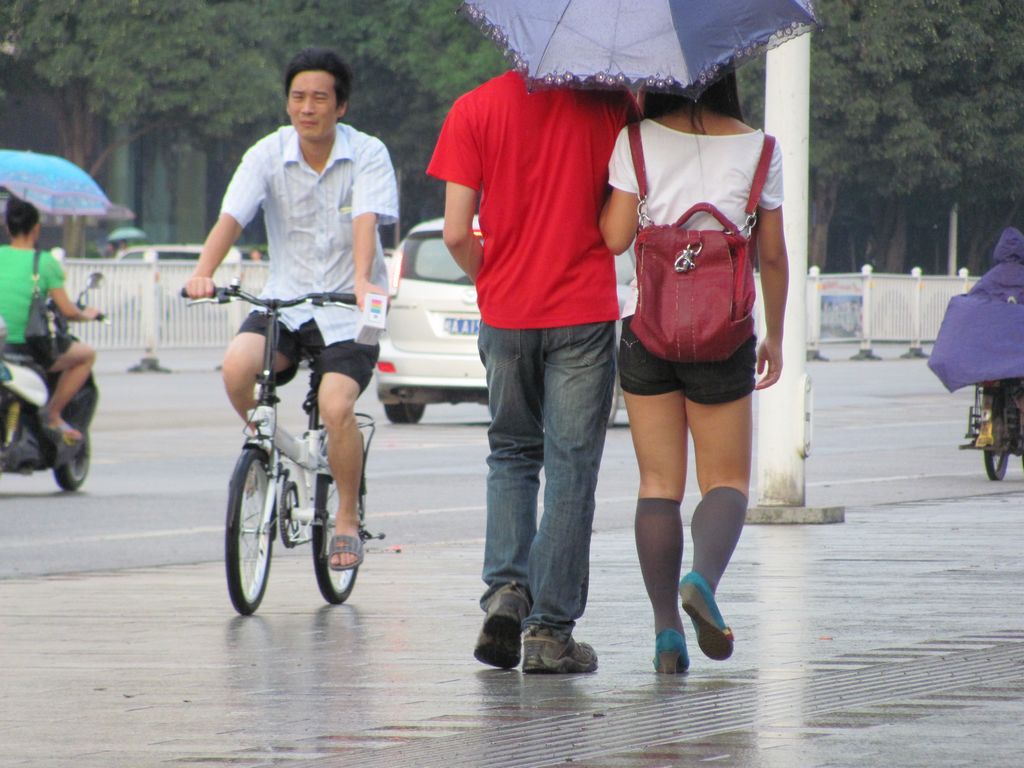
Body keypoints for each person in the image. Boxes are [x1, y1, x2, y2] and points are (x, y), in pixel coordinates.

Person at [427, 72, 636, 674]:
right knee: (572, 469)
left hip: (508, 314)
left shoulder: (473, 107)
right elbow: (622, 224)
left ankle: (506, 593)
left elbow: (453, 230)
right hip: (582, 315)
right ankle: (549, 633)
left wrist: (490, 279)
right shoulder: (613, 108)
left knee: (512, 455)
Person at [599, 75, 789, 673]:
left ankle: (665, 633)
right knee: (727, 480)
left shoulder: (635, 140)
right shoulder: (761, 149)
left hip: (649, 329)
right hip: (724, 333)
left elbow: (615, 237)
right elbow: (774, 255)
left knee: (658, 484)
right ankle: (701, 579)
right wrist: (775, 335)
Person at [185, 47, 398, 572]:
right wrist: (201, 272)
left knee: (336, 407)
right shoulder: (266, 154)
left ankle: (346, 515)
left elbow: (365, 222)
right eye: (298, 97)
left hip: (348, 307)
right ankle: (271, 449)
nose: (308, 107)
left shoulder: (368, 153)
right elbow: (231, 217)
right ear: (287, 104)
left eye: (319, 97)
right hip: (286, 300)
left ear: (340, 106)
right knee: (237, 367)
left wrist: (366, 280)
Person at [0, 197, 101, 441]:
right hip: (29, 347)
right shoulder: (44, 262)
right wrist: (87, 315)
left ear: (7, 228)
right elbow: (68, 311)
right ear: (36, 228)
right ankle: (54, 414)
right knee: (86, 355)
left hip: (2, 346)